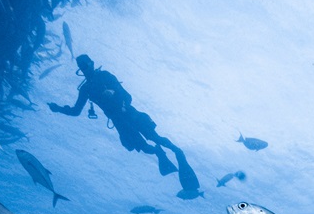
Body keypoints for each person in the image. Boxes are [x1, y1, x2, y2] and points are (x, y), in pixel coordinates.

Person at [48, 55, 200, 195]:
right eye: (82, 66)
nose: (85, 68)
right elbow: (75, 111)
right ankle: (159, 153)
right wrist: (59, 109)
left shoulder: (105, 75)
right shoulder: (85, 89)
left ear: (92, 63)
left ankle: (177, 152)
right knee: (141, 147)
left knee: (156, 137)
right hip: (119, 121)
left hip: (130, 113)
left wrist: (115, 95)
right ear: (80, 69)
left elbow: (127, 96)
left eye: (86, 64)